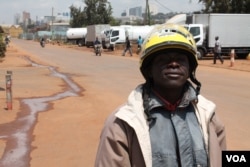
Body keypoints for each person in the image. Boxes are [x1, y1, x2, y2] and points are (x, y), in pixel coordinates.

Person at [95, 24, 226, 167]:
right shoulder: (122, 124)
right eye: (163, 59)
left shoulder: (208, 117)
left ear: (190, 68)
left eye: (181, 59)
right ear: (149, 70)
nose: (174, 64)